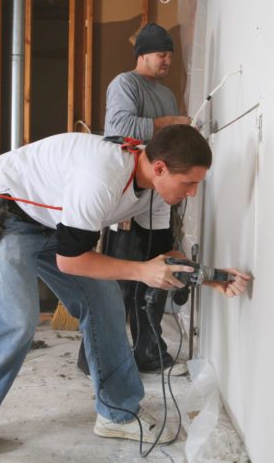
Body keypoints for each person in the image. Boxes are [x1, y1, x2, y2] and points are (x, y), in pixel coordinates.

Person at [0, 125, 251, 456]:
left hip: (54, 221)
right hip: (5, 211)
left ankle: (117, 414)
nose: (192, 192)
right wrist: (142, 272)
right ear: (160, 168)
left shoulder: (157, 194)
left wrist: (208, 277)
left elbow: (161, 257)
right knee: (16, 321)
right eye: (188, 183)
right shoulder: (102, 178)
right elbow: (71, 261)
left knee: (106, 305)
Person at [84, 23, 191, 376]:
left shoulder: (166, 94)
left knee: (157, 275)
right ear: (142, 53)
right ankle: (96, 357)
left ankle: (149, 351)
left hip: (158, 201)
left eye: (170, 55)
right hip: (128, 197)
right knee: (119, 285)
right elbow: (118, 128)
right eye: (162, 54)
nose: (167, 61)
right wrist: (169, 122)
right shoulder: (124, 84)